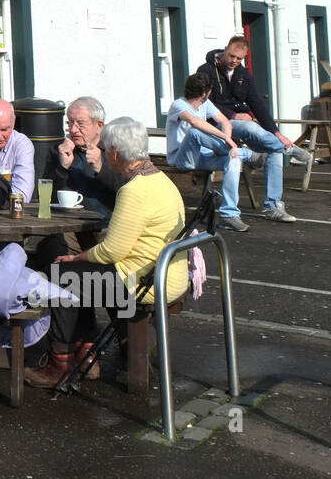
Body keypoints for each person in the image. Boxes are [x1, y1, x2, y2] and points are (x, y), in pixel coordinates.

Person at [24, 117, 187, 388]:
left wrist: (76, 257)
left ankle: (59, 363)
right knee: (79, 274)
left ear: (113, 152)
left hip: (142, 282)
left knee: (62, 275)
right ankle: (87, 354)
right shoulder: (160, 179)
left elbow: (112, 251)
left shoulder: (134, 190)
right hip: (164, 274)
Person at [197, 36, 310, 223]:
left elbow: (256, 103)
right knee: (250, 126)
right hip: (216, 125)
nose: (234, 61)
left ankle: (273, 206)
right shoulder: (206, 70)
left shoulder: (243, 74)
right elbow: (204, 101)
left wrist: (276, 132)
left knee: (273, 149)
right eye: (232, 55)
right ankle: (288, 148)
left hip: (241, 125)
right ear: (225, 49)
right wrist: (232, 115)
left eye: (239, 58)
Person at [166, 73, 261, 232]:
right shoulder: (178, 105)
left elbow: (224, 121)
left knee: (233, 160)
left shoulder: (205, 104)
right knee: (194, 133)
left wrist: (227, 142)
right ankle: (248, 154)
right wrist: (225, 139)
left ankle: (229, 215)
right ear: (205, 92)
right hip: (181, 159)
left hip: (203, 156)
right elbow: (195, 122)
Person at [42, 96, 124, 220]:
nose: (73, 130)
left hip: (105, 223)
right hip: (66, 223)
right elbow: (45, 196)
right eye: (70, 122)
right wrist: (62, 168)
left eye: (80, 124)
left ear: (99, 125)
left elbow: (126, 190)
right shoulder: (59, 151)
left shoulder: (114, 150)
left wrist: (100, 168)